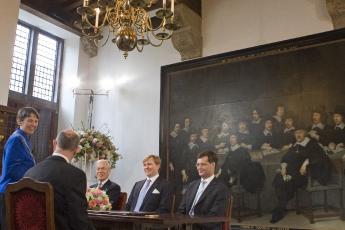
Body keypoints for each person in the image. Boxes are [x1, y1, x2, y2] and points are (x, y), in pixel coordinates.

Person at [24, 129, 95, 230]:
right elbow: (78, 218)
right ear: (77, 149)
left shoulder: (30, 173)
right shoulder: (76, 175)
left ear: (54, 143)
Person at [271, 129, 332, 223]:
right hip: (294, 173)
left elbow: (320, 157)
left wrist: (306, 163)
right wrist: (283, 167)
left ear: (305, 134)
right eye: (296, 133)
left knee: (286, 182)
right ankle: (280, 207)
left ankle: (279, 210)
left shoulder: (312, 144)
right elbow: (285, 158)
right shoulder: (295, 145)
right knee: (279, 179)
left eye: (300, 132)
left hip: (307, 174)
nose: (298, 135)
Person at [0, 107, 39, 230]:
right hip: (9, 189)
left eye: (36, 121)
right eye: (30, 120)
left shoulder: (25, 139)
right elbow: (12, 169)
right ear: (19, 121)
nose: (33, 124)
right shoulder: (17, 139)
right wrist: (34, 176)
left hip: (16, 189)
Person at [178, 151, 229, 230]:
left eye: (203, 164)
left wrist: (192, 223)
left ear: (213, 165)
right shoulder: (191, 185)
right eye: (197, 164)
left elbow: (214, 218)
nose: (199, 167)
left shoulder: (221, 189)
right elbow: (181, 210)